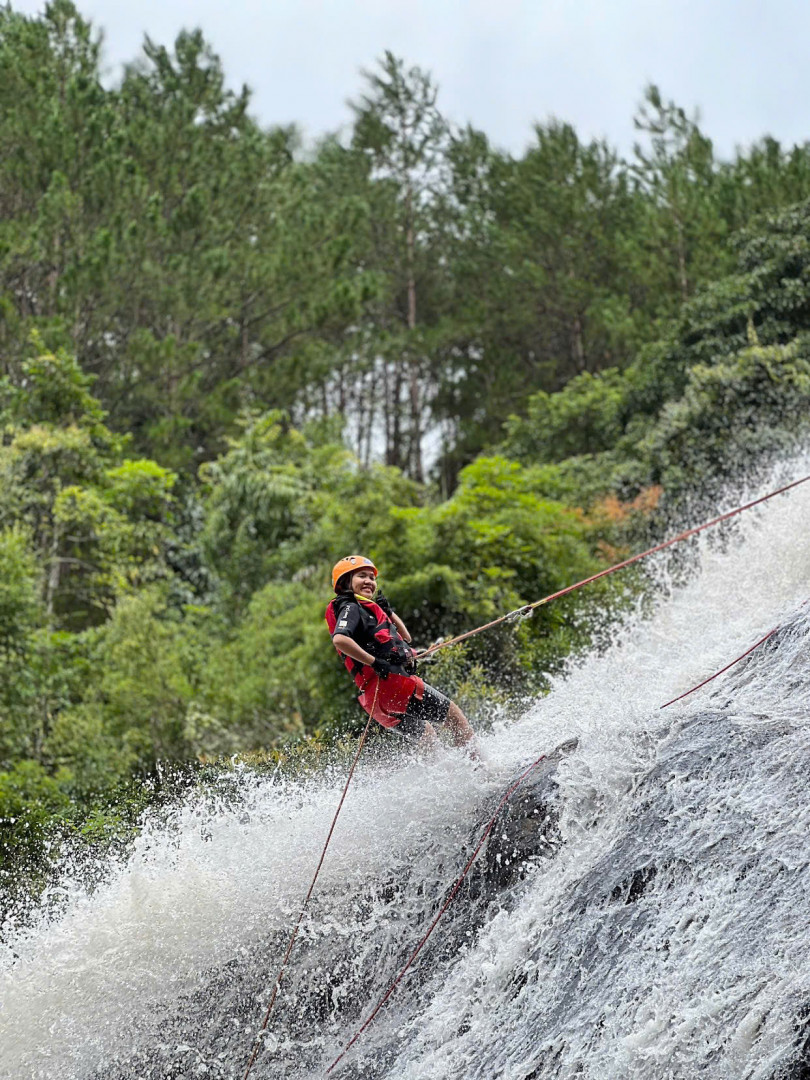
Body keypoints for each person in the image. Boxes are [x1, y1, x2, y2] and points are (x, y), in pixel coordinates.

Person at [325, 555, 477, 753]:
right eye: (362, 576)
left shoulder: (366, 610)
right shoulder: (351, 607)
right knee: (455, 718)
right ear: (345, 582)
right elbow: (340, 639)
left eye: (372, 577)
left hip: (376, 701)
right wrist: (375, 662)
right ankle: (483, 770)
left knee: (427, 736)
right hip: (392, 683)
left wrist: (388, 612)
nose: (369, 581)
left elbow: (406, 638)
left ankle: (444, 778)